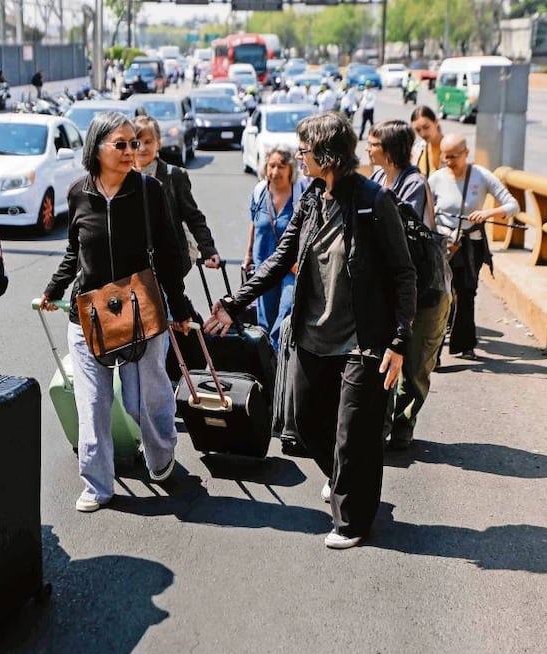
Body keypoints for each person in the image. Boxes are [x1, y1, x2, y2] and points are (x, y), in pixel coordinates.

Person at [205, 112, 416, 549]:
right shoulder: (312, 199)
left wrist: (398, 341)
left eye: (304, 151)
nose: (299, 158)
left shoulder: (374, 203)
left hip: (363, 342)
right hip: (311, 336)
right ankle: (344, 479)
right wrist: (233, 303)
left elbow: (403, 274)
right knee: (304, 421)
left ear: (327, 154)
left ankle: (353, 521)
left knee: (353, 433)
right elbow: (279, 260)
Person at [38, 112, 194, 513]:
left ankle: (160, 456)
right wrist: (53, 289)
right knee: (92, 404)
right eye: (121, 144)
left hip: (141, 311)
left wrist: (179, 306)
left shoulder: (149, 191)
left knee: (143, 401)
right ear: (97, 148)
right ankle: (97, 484)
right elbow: (75, 251)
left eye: (134, 143)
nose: (131, 151)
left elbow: (169, 252)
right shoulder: (77, 193)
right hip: (88, 314)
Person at [366, 119, 450, 450]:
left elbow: (396, 236)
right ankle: (380, 425)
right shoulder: (375, 178)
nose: (367, 148)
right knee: (385, 359)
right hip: (390, 289)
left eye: (373, 144)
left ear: (388, 150)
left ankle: (403, 423)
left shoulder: (414, 184)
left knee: (415, 367)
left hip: (423, 291)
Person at [429, 133, 519, 361]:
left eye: (454, 157)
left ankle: (464, 344)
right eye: (445, 157)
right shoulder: (436, 179)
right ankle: (432, 353)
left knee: (466, 293)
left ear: (467, 154)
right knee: (442, 296)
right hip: (444, 244)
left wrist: (488, 212)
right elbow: (425, 211)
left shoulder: (481, 176)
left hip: (470, 244)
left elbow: (512, 205)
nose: (449, 162)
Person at [133, 116, 222, 276]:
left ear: (158, 143)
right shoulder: (123, 178)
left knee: (167, 299)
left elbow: (193, 216)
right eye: (137, 143)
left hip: (169, 259)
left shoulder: (173, 175)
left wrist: (208, 249)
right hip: (135, 262)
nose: (142, 148)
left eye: (148, 142)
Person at [243, 146, 309, 351]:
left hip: (292, 268)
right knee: (265, 318)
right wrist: (248, 256)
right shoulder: (259, 192)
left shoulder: (301, 192)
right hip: (265, 266)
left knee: (287, 309)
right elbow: (254, 224)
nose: (275, 171)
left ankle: (280, 356)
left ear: (290, 169)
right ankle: (267, 365)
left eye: (281, 166)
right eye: (272, 165)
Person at [410, 105, 444, 178]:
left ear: (436, 123)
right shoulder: (417, 150)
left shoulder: (451, 148)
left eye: (426, 127)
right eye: (418, 130)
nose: (423, 134)